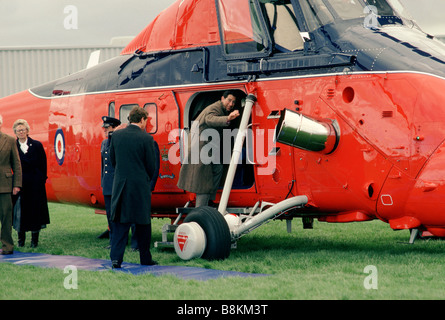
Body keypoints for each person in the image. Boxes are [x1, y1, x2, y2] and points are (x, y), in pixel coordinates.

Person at [109, 106, 157, 268]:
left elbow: (113, 161)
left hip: (121, 186)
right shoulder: (147, 139)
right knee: (143, 225)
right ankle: (145, 258)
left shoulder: (116, 135)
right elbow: (151, 166)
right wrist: (144, 179)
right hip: (139, 187)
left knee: (120, 225)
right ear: (142, 120)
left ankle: (116, 259)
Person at [177, 90, 240, 207]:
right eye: (229, 100)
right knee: (203, 180)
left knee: (218, 169)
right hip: (201, 148)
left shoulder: (221, 109)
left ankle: (209, 200)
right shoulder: (215, 108)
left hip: (206, 147)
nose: (231, 104)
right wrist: (228, 118)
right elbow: (210, 119)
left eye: (233, 102)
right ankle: (201, 209)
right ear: (222, 99)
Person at [12, 119, 49, 248]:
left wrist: (40, 180)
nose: (21, 132)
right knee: (20, 213)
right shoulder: (13, 146)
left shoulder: (37, 145)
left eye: (23, 129)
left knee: (35, 212)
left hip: (35, 185)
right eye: (18, 130)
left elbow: (43, 164)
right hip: (20, 184)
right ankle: (20, 240)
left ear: (27, 131)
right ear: (15, 133)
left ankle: (34, 241)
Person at [0, 115, 22, 255]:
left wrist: (17, 185)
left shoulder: (10, 140)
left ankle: (7, 246)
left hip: (5, 185)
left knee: (6, 217)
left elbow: (17, 164)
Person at [100, 116, 121, 248]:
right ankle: (113, 239)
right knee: (109, 214)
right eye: (104, 128)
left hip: (117, 182)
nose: (105, 130)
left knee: (118, 213)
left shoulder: (119, 141)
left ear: (114, 128)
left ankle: (119, 240)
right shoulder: (104, 143)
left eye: (107, 128)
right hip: (108, 183)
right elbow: (103, 165)